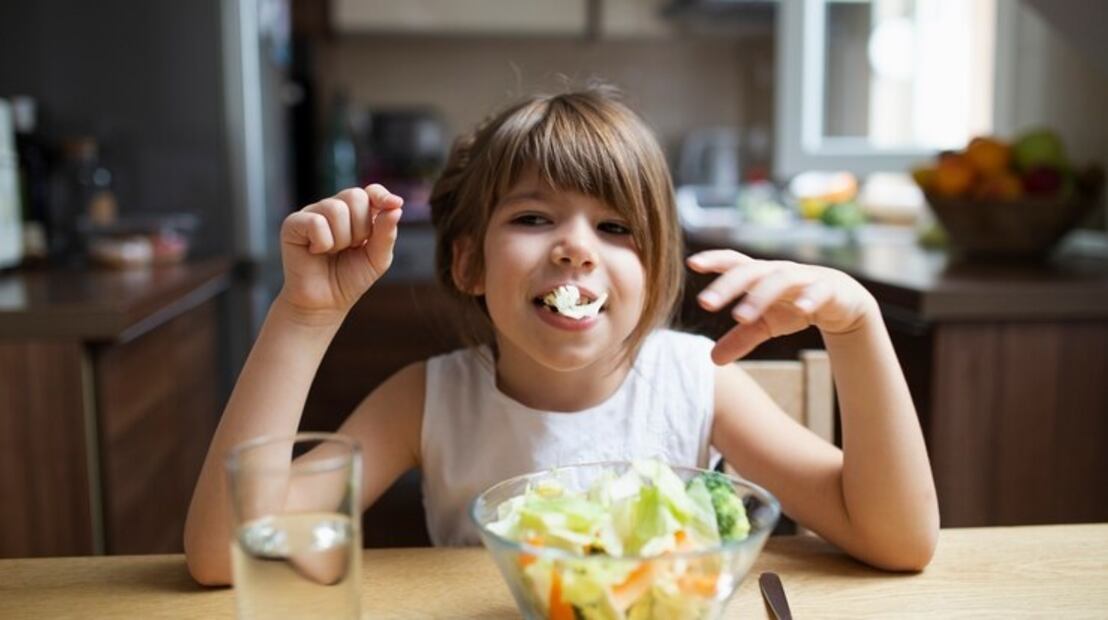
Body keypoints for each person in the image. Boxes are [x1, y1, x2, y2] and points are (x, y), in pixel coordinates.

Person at [184, 86, 938, 585]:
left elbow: (900, 540)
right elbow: (225, 556)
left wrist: (858, 326)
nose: (577, 247)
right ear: (471, 262)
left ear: (658, 272)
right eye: (534, 218)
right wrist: (304, 316)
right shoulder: (427, 398)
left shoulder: (696, 381)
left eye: (616, 228)